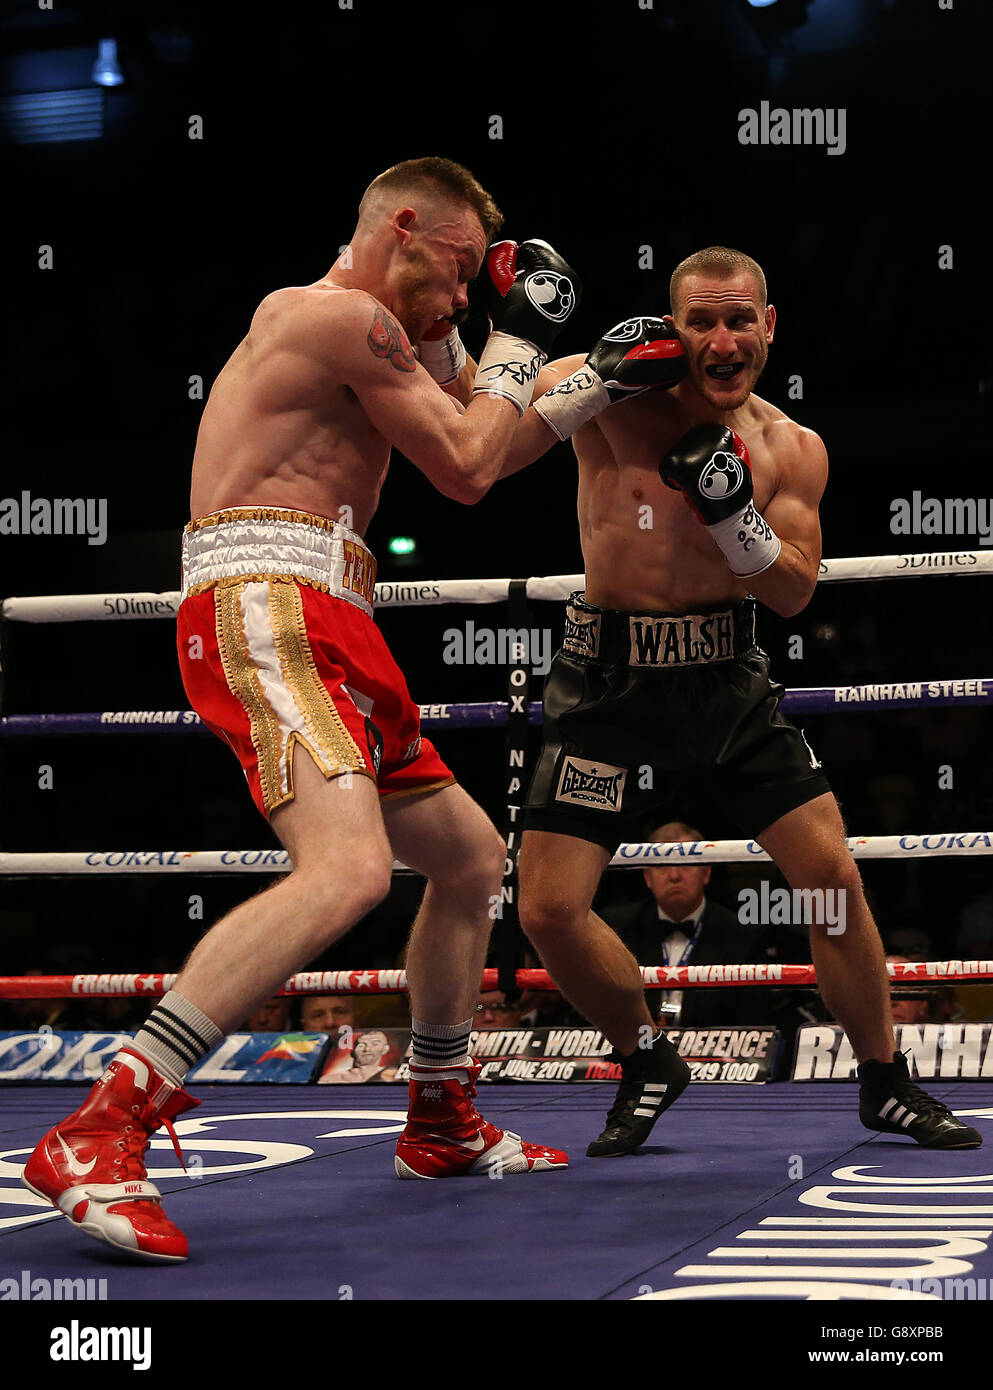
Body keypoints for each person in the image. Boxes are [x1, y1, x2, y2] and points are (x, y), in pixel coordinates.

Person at [24, 157, 688, 1262]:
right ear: (404, 227)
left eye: (479, 281)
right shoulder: (332, 316)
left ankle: (439, 1117)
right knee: (347, 871)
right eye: (459, 269)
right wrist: (526, 340)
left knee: (468, 859)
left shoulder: (403, 337)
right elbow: (469, 463)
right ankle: (102, 1127)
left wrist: (600, 379)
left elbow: (489, 443)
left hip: (336, 615)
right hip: (267, 599)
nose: (466, 294)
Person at [509, 245, 982, 1157]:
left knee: (831, 879)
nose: (721, 342)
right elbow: (484, 448)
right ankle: (645, 1057)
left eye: (738, 321)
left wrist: (734, 519)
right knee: (546, 910)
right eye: (701, 322)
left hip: (724, 680)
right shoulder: (611, 397)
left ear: (768, 326)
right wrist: (587, 379)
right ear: (672, 326)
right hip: (605, 681)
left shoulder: (792, 446)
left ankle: (883, 1081)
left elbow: (794, 592)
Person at [601, 820, 776, 1029]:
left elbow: (752, 1023)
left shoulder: (742, 934)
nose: (674, 876)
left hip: (712, 1047)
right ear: (647, 878)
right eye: (662, 866)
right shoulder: (617, 927)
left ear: (706, 872)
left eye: (685, 864)